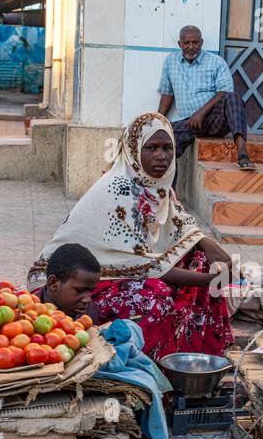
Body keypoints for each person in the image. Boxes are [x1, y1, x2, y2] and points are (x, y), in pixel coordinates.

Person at [28, 111, 234, 360]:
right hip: (77, 283)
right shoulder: (120, 189)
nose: (162, 156)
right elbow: (141, 264)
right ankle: (148, 362)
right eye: (152, 148)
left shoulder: (158, 189)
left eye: (168, 148)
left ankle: (196, 353)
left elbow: (182, 226)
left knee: (199, 260)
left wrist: (208, 244)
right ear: (133, 151)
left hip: (125, 269)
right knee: (152, 298)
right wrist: (209, 280)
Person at [39, 243, 172, 439]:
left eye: (91, 291)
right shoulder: (30, 312)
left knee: (140, 397)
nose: (87, 299)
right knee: (43, 415)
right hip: (52, 393)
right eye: (79, 291)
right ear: (53, 283)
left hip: (91, 389)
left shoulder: (91, 311)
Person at [157, 25, 253, 168]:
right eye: (186, 43)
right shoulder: (170, 62)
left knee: (234, 97)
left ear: (201, 43)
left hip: (215, 119)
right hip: (189, 123)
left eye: (195, 42)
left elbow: (224, 92)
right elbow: (167, 94)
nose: (191, 47)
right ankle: (168, 189)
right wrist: (157, 120)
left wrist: (201, 112)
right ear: (179, 44)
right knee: (165, 142)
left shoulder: (216, 62)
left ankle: (242, 153)